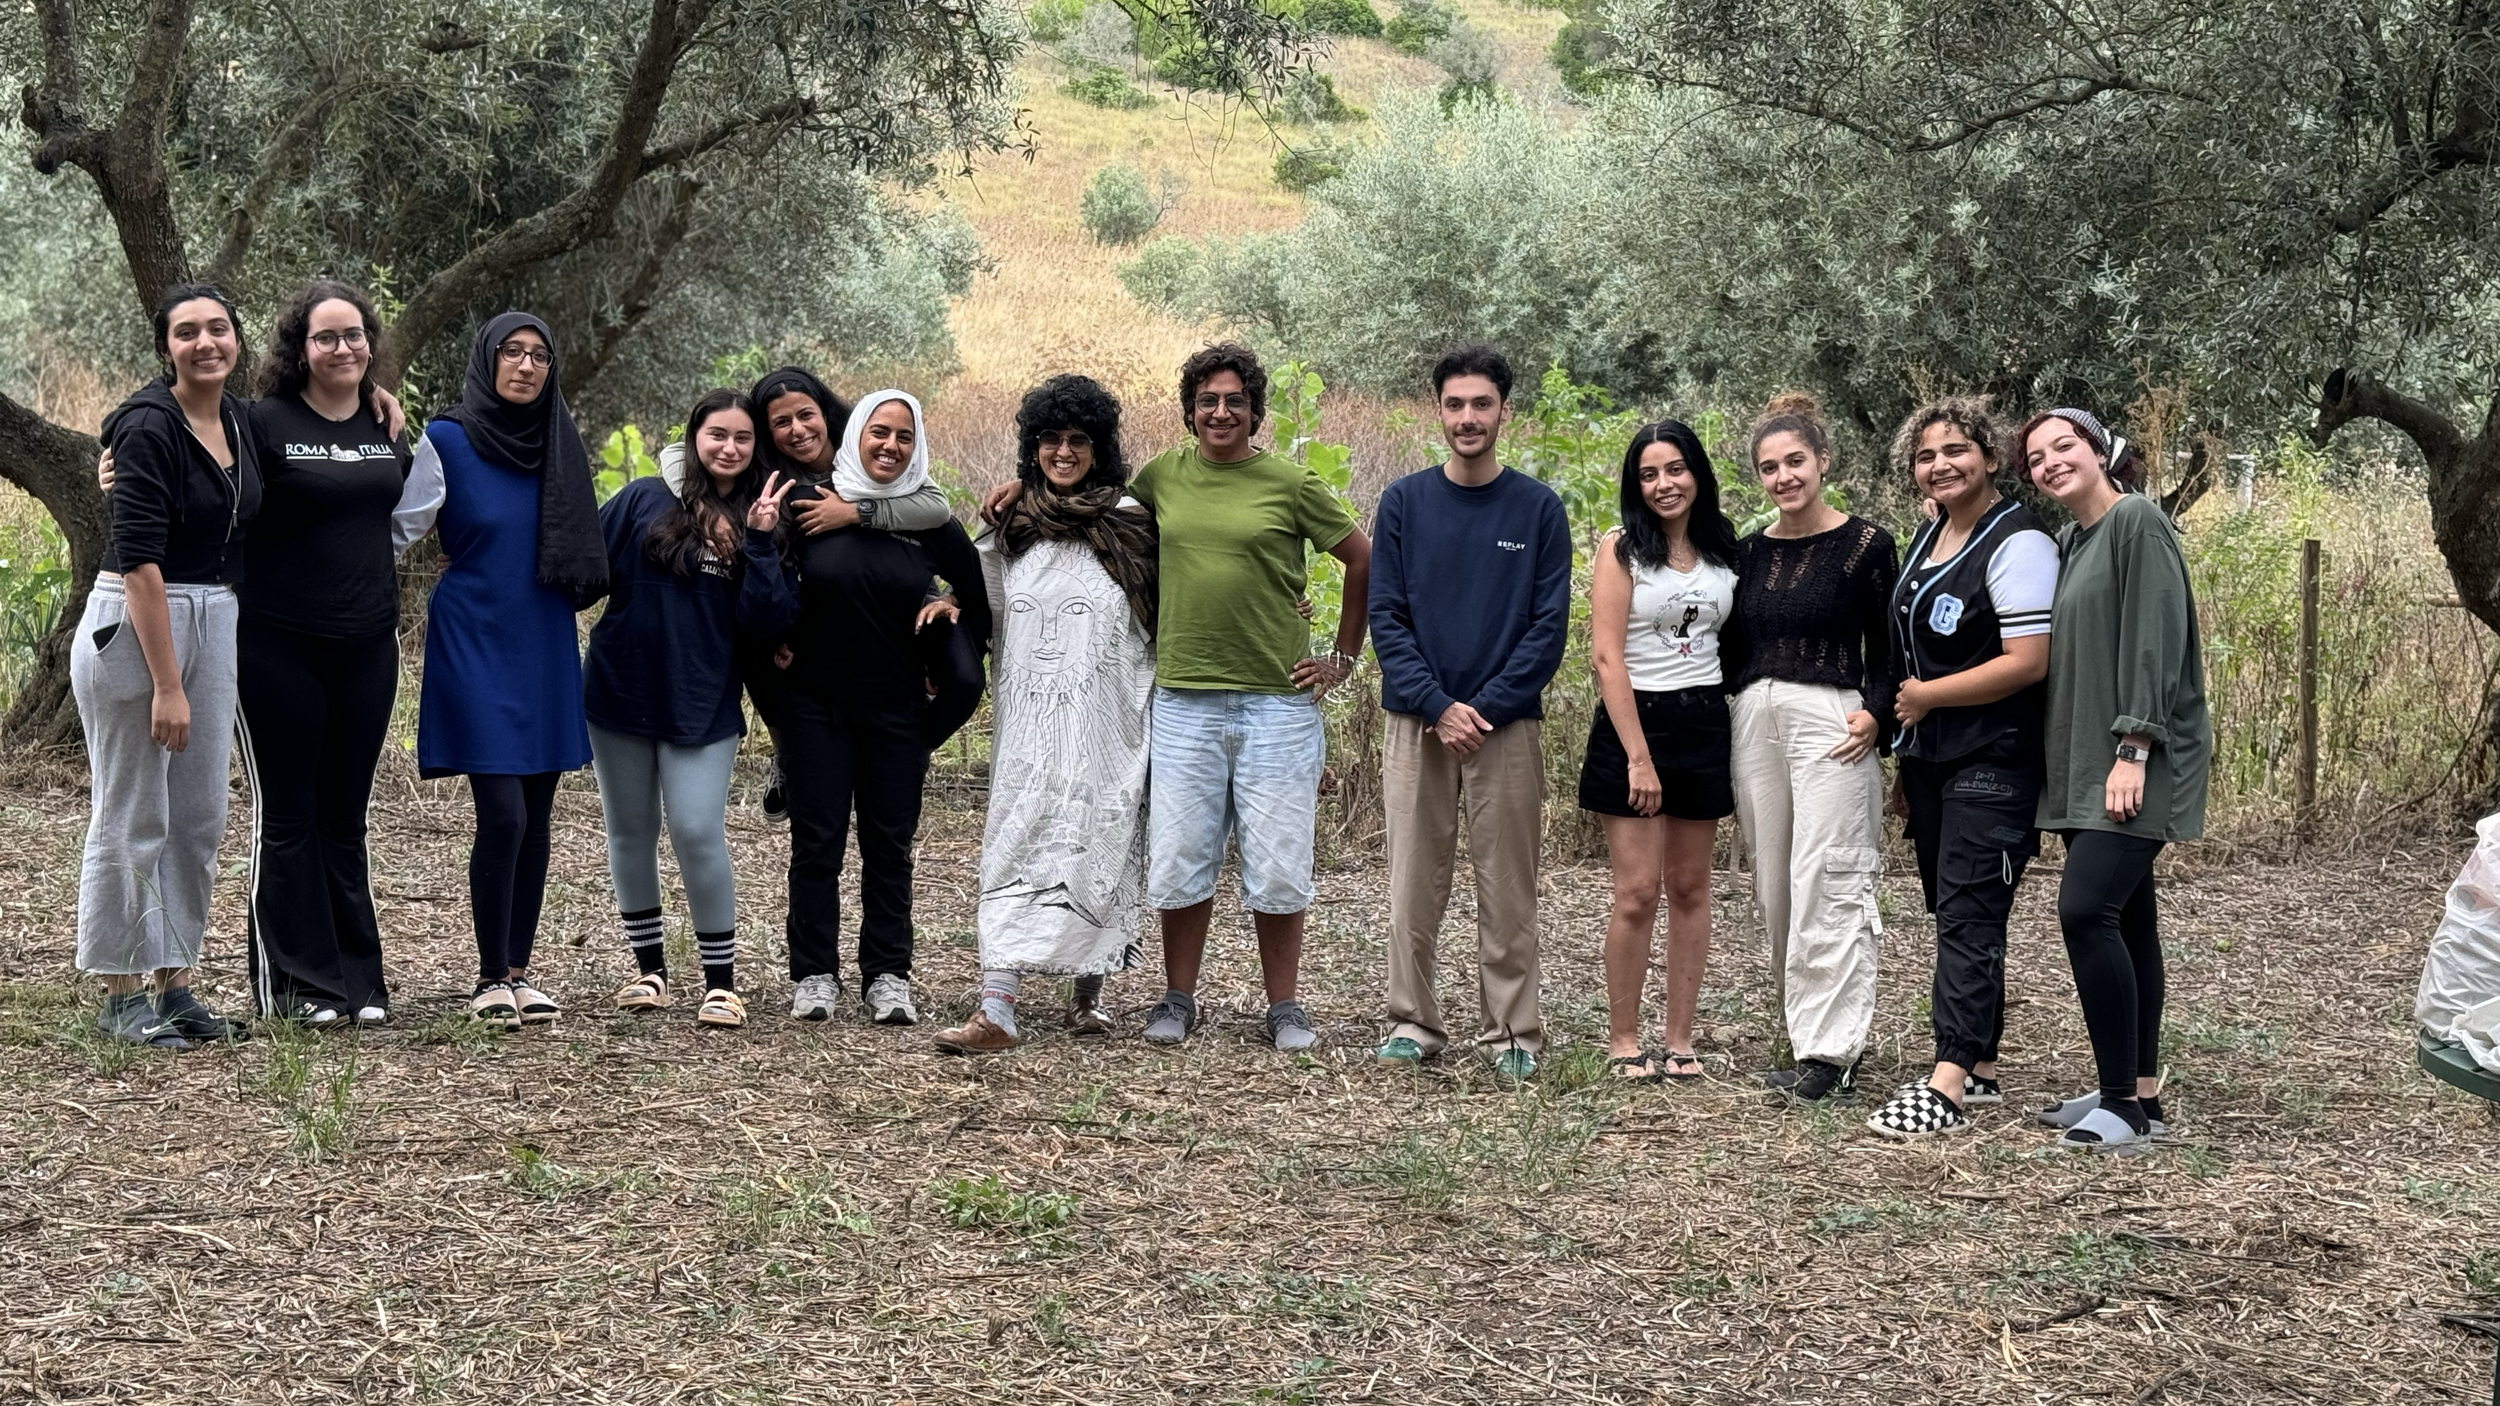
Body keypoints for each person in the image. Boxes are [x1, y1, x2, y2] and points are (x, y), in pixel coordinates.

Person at [986, 344, 1370, 1052]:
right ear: (1190, 411)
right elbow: (1090, 503)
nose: (1220, 412)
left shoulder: (1289, 482)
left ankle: (1284, 1006)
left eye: (1234, 400)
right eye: (1207, 401)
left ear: (1255, 408)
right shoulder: (1164, 477)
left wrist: (1342, 658)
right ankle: (1176, 997)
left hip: (1275, 704)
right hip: (1185, 700)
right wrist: (1019, 489)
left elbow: (1360, 556)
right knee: (1181, 859)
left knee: (1279, 863)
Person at [94, 279, 411, 1027]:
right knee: (289, 815)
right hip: (275, 641)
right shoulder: (259, 420)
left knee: (347, 816)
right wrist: (110, 464)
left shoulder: (386, 422)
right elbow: (164, 444)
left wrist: (389, 401)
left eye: (355, 335)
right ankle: (297, 986)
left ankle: (357, 983)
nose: (343, 348)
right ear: (297, 348)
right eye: (326, 337)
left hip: (368, 643)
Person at [395, 312, 608, 1029]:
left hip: (544, 634)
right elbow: (397, 528)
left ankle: (522, 970)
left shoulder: (558, 440)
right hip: (475, 635)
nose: (526, 365)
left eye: (540, 355)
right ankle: (489, 976)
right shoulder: (447, 438)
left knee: (540, 814)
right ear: (487, 359)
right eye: (512, 352)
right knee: (504, 813)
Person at [935, 375, 1158, 1054]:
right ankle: (996, 1008)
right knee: (1015, 840)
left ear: (1100, 448)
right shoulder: (1012, 528)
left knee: (1100, 842)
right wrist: (951, 609)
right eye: (1051, 440)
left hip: (1108, 719)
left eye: (1078, 440)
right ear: (1033, 448)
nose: (1064, 452)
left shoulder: (1133, 523)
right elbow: (987, 606)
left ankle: (1088, 998)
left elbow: (1165, 615)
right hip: (1030, 723)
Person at [1367, 346, 1569, 1079]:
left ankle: (1513, 1033)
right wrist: (1436, 704)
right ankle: (1412, 1022)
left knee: (1507, 884)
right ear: (1438, 412)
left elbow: (1547, 629)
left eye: (1482, 404)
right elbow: (1386, 617)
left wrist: (1478, 709)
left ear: (1504, 413)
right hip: (1417, 722)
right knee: (1412, 882)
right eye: (1455, 405)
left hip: (1504, 725)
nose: (1468, 418)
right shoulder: (1404, 502)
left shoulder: (1538, 508)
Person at [1862, 398, 2059, 1139]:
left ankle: (1947, 1078)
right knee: (1955, 913)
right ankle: (1980, 1067)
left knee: (1973, 912)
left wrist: (1923, 698)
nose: (1941, 464)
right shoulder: (1931, 534)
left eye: (1957, 450)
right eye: (1926, 456)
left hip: (1994, 755)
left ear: (1991, 457)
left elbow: (2027, 662)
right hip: (1933, 763)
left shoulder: (2021, 543)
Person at [74, 283, 262, 1049]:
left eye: (218, 329)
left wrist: (377, 397)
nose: (205, 343)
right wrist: (168, 685)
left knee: (196, 816)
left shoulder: (241, 425)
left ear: (237, 342)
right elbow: (143, 563)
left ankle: (174, 980)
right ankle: (121, 992)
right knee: (132, 810)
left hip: (214, 614)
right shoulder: (148, 425)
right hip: (140, 618)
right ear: (166, 349)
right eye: (187, 333)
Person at [2021, 408, 2211, 1152]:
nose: (2050, 462)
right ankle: (2141, 1095)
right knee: (2130, 921)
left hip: (2136, 756)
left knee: (2084, 911)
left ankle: (2120, 1109)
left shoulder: (2136, 521)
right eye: (2036, 458)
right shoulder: (2072, 540)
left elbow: (2157, 634)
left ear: (2098, 451)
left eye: (2063, 446)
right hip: (2082, 765)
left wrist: (2134, 746)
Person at [588, 390, 796, 1031]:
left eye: (741, 438)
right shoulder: (642, 499)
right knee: (630, 829)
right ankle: (648, 969)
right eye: (717, 434)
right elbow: (582, 569)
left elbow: (766, 621)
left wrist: (759, 542)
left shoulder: (761, 514)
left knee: (698, 830)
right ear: (694, 436)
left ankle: (720, 983)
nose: (729, 448)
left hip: (702, 697)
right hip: (619, 688)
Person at [781, 390, 990, 1027]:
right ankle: (815, 974)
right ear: (857, 436)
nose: (890, 446)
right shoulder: (812, 504)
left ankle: (888, 976)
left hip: (898, 711)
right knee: (816, 844)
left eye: (903, 436)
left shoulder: (931, 523)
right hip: (816, 707)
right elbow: (768, 574)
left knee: (889, 847)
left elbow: (980, 597)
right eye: (879, 432)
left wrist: (953, 606)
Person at [661, 366, 951, 821]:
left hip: (891, 594)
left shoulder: (864, 447)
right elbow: (676, 457)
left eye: (806, 415)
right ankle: (785, 750)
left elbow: (936, 506)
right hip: (808, 598)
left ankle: (911, 744)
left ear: (825, 413)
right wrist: (700, 504)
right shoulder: (768, 474)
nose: (798, 430)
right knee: (756, 633)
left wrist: (855, 512)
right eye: (780, 423)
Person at [1727, 391, 1901, 1103]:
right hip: (1755, 720)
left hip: (1833, 720)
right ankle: (1802, 1035)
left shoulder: (1867, 546)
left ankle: (1831, 1054)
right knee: (1775, 882)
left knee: (1829, 877)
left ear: (1823, 461)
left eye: (1795, 461)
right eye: (1769, 467)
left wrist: (1879, 715)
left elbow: (1891, 648)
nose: (1783, 477)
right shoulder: (1746, 553)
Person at [1579, 419, 1741, 1084]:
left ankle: (1679, 1039)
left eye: (1674, 469)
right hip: (1634, 722)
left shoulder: (1723, 548)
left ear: (1696, 473)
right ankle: (1624, 1038)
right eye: (1648, 474)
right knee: (1638, 892)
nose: (1663, 484)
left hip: (1703, 718)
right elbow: (1605, 656)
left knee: (1691, 888)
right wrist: (1638, 758)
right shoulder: (1622, 549)